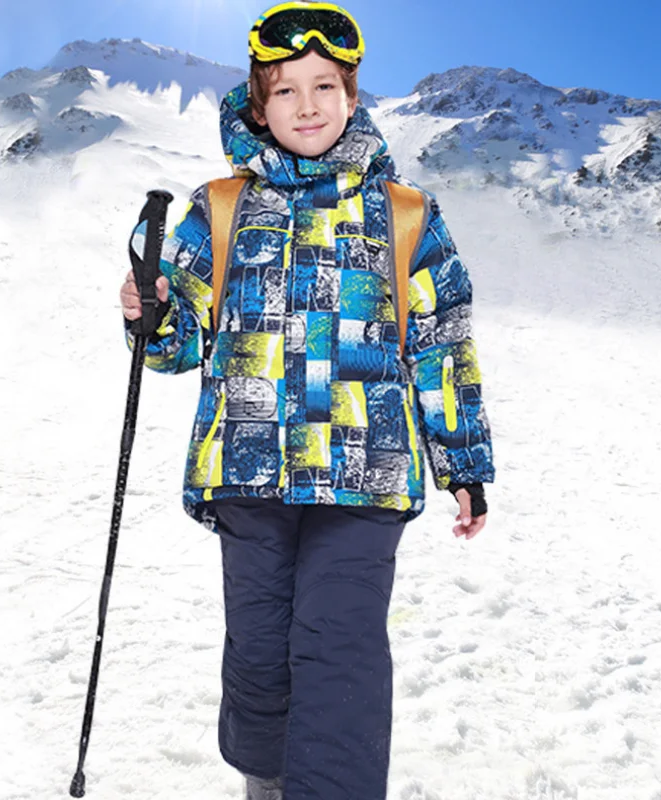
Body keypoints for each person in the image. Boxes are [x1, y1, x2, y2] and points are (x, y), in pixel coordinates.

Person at [120, 3, 495, 798]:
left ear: (353, 97)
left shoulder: (405, 213)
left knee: (339, 649)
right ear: (260, 108)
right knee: (259, 652)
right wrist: (150, 314)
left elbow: (442, 343)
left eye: (325, 86)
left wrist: (462, 464)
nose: (308, 105)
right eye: (286, 91)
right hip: (248, 471)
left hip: (366, 474)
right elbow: (176, 344)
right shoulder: (220, 208)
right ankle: (266, 781)